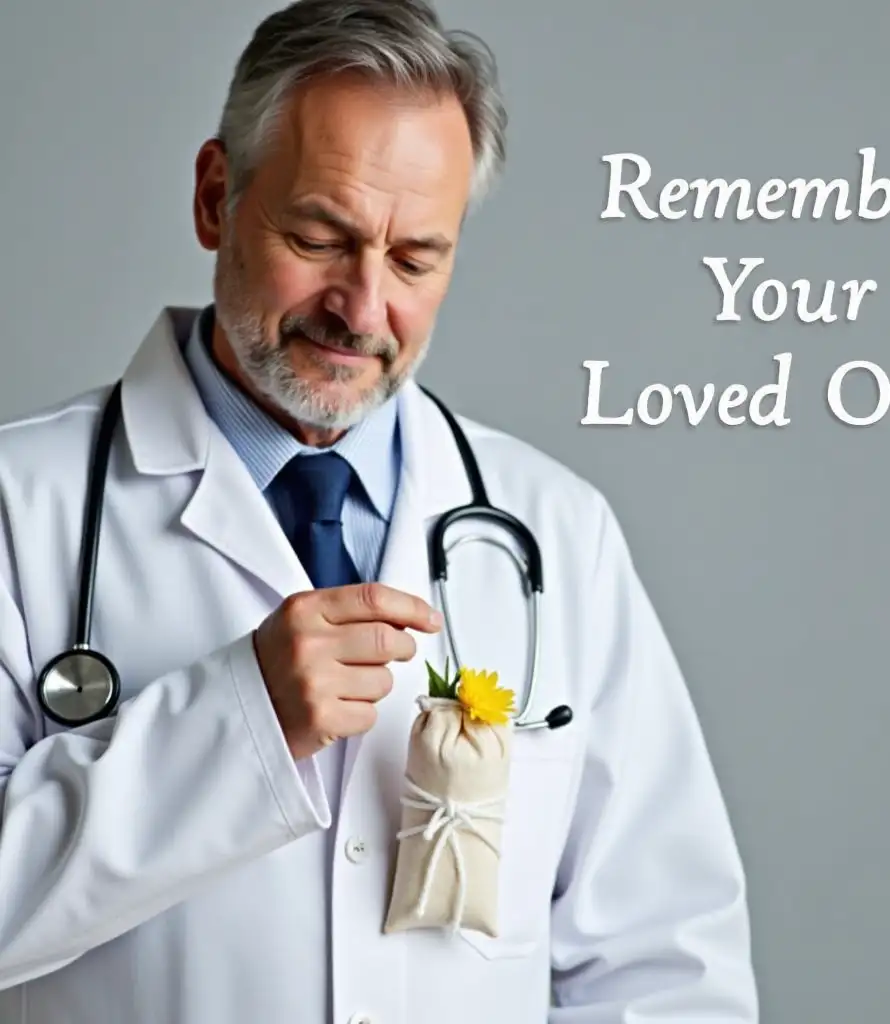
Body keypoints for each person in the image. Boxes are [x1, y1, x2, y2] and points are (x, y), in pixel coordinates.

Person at [0, 1, 758, 1021]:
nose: (361, 308)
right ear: (216, 197)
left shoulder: (553, 529)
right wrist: (236, 722)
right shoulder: (21, 507)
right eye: (320, 237)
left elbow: (664, 967)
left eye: (414, 259)